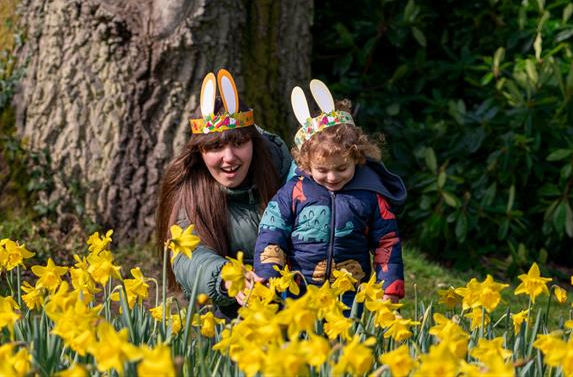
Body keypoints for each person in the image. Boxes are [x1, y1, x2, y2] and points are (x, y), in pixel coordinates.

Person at [253, 80, 407, 309]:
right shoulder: (293, 192)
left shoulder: (370, 196)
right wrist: (267, 272)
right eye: (322, 170)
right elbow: (272, 230)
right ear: (305, 163)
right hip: (299, 290)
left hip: (349, 292)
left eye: (342, 168)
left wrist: (389, 286)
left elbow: (387, 241)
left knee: (344, 342)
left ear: (357, 157)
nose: (332, 177)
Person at [156, 69, 291, 319]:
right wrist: (226, 277)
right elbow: (189, 256)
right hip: (233, 320)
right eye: (215, 146)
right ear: (200, 152)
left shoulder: (287, 175)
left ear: (253, 142)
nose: (229, 158)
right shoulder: (191, 192)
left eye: (239, 143)